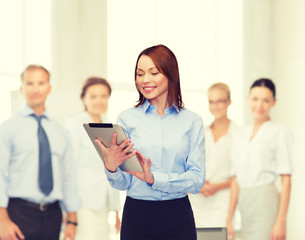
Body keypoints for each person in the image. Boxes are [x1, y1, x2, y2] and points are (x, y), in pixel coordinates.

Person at [94, 44, 206, 240]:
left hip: (177, 215)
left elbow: (196, 180)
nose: (145, 80)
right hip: (138, 215)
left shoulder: (192, 121)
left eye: (153, 73)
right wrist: (111, 168)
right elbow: (124, 182)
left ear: (171, 74)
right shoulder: (127, 119)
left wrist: (154, 178)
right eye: (139, 74)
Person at [0, 65, 79, 240]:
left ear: (49, 88)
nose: (35, 89)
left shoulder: (61, 132)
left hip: (53, 215)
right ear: (21, 88)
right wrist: (2, 220)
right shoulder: (8, 128)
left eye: (41, 83)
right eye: (30, 83)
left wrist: (72, 219)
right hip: (18, 213)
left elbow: (68, 176)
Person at [226, 78, 293, 240]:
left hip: (266, 202)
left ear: (274, 102)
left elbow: (286, 179)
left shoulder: (279, 132)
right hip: (244, 202)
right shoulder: (240, 134)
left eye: (266, 100)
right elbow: (235, 179)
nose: (259, 105)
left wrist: (281, 221)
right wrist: (229, 219)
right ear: (248, 99)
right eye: (255, 99)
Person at [65, 77, 121, 240]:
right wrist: (70, 211)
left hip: (104, 204)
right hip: (83, 204)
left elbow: (112, 167)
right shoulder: (75, 125)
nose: (99, 101)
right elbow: (69, 168)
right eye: (94, 96)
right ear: (84, 99)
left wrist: (116, 211)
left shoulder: (109, 126)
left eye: (104, 96)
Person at [189, 83, 238, 227]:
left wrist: (217, 186)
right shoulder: (201, 132)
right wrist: (200, 184)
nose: (215, 106)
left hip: (222, 202)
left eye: (220, 101)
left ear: (229, 102)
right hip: (197, 201)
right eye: (211, 102)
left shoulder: (238, 134)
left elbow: (240, 175)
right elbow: (190, 165)